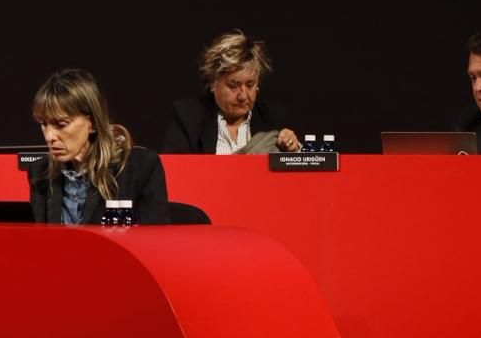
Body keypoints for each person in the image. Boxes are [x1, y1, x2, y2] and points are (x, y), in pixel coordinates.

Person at [27, 69, 169, 225]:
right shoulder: (40, 172)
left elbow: (154, 237)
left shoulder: (140, 168)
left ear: (93, 123)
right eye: (44, 124)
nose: (49, 137)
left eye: (61, 124)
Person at [160, 31, 299, 154]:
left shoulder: (273, 119)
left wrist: (293, 149)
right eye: (233, 86)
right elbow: (175, 169)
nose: (243, 96)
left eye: (250, 85)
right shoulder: (188, 117)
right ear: (213, 82)